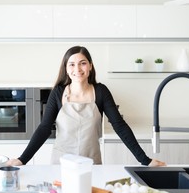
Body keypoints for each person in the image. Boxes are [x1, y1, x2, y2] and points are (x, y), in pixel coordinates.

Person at [8, 46, 165, 167]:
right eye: (72, 65)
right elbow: (44, 128)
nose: (77, 69)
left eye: (82, 63)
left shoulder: (101, 91)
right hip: (61, 164)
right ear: (66, 68)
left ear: (90, 66)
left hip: (91, 164)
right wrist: (22, 160)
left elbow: (119, 126)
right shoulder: (58, 92)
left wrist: (144, 160)